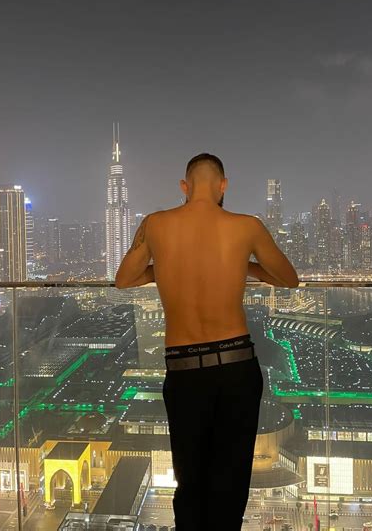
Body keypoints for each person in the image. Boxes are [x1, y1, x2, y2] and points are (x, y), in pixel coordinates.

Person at [115, 152, 299, 530]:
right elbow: (288, 278)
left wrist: (167, 267)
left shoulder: (156, 224)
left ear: (184, 187)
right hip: (235, 364)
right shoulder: (246, 226)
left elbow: (125, 279)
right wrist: (242, 263)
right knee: (231, 481)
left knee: (190, 480)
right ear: (223, 186)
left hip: (184, 369)